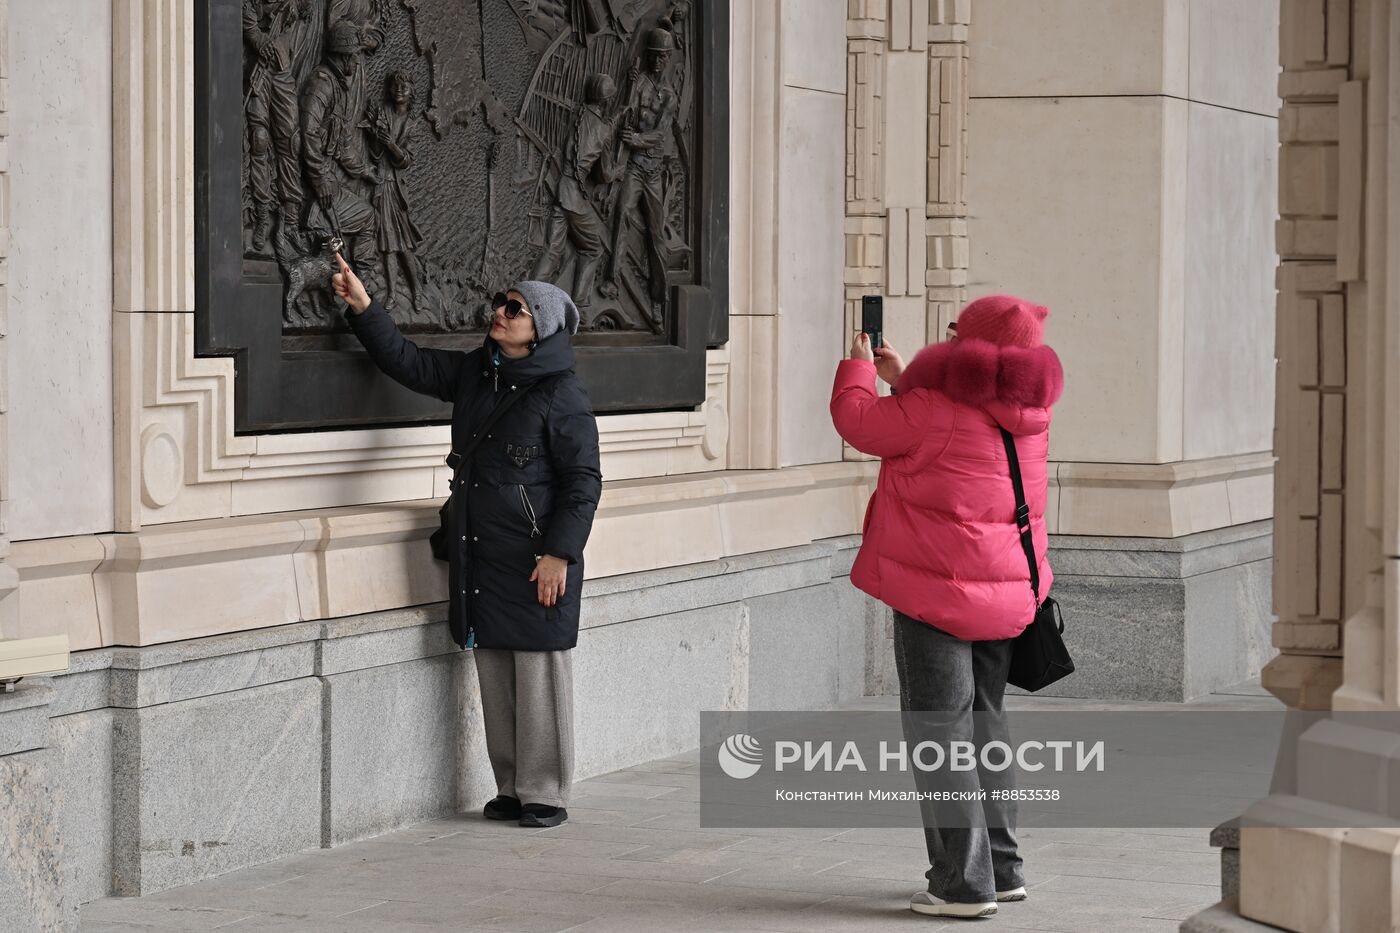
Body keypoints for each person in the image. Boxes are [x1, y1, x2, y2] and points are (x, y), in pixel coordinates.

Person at [332, 257, 603, 829]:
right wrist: (364, 307)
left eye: (515, 309)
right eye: (501, 303)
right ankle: (511, 785)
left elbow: (583, 482)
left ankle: (545, 792)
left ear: (542, 327)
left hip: (536, 557)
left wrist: (560, 553)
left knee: (538, 672)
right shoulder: (477, 374)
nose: (499, 314)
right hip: (482, 548)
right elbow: (406, 361)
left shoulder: (562, 394)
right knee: (496, 668)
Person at [829, 294, 1064, 919]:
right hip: (1009, 593)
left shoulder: (930, 410)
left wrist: (857, 368)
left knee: (940, 736)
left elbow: (860, 424)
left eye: (959, 329)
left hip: (938, 595)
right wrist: (905, 379)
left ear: (974, 345)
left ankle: (961, 885)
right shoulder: (1029, 411)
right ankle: (1004, 870)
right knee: (987, 728)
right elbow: (966, 424)